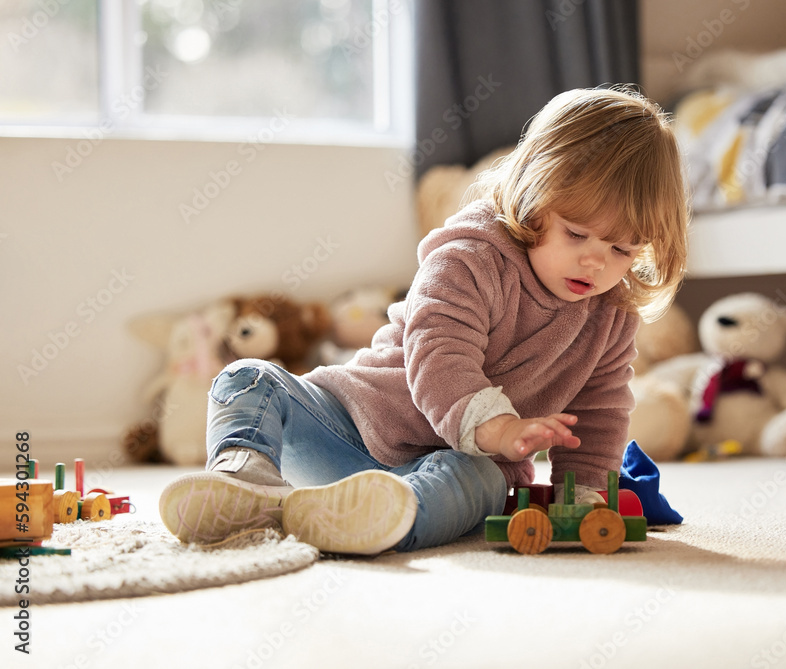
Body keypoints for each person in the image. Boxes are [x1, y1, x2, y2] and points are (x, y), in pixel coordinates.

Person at [159, 86, 689, 555]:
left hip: (452, 467)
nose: (596, 263)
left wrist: (588, 497)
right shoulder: (470, 257)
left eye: (622, 249)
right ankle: (245, 480)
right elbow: (441, 351)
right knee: (247, 377)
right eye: (576, 235)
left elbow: (598, 414)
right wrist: (498, 426)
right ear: (533, 201)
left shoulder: (611, 315)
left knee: (482, 482)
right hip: (352, 427)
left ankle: (374, 517)